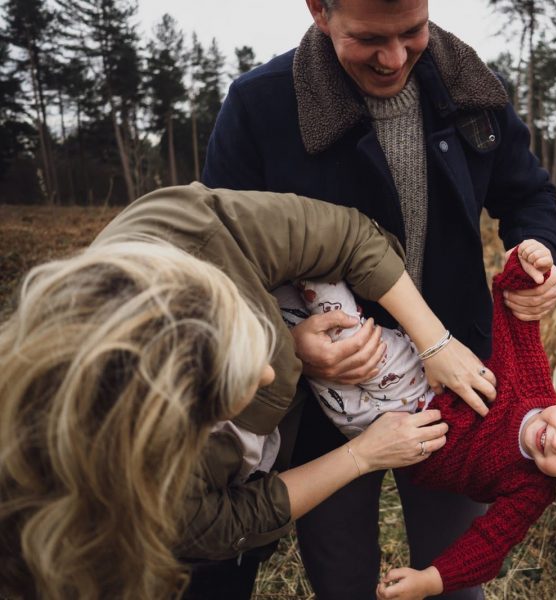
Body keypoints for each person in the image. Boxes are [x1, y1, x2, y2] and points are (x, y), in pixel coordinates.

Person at [202, 1, 556, 596]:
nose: (394, 58)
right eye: (370, 39)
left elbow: (527, 194)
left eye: (412, 32)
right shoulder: (261, 105)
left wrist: (538, 249)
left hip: (458, 385)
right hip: (324, 401)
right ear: (320, 11)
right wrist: (289, 346)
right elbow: (219, 262)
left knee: (453, 581)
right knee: (341, 574)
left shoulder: (471, 89)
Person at [0, 184, 491, 600]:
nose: (270, 376)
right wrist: (362, 455)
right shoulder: (141, 494)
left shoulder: (192, 227)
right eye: (233, 386)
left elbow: (348, 236)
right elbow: (230, 520)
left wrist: (432, 342)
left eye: (252, 338)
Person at [281, 241, 556, 599]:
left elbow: (488, 546)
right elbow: (516, 315)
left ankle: (278, 304)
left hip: (370, 426)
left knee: (309, 347)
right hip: (411, 384)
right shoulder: (533, 383)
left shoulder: (531, 491)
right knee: (348, 340)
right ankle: (315, 246)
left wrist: (430, 581)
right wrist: (530, 266)